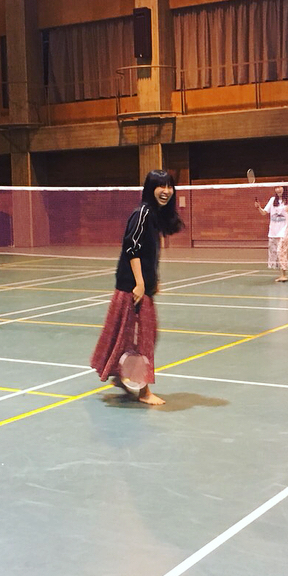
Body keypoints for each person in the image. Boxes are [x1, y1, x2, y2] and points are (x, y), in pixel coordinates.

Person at [90, 169, 184, 406]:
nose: (166, 191)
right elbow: (131, 248)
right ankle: (143, 392)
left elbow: (149, 253)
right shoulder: (142, 213)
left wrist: (153, 280)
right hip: (132, 288)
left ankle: (121, 377)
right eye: (161, 186)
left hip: (140, 287)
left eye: (169, 186)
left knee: (134, 337)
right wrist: (140, 284)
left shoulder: (154, 215)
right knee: (143, 339)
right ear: (151, 188)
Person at [255, 185, 288, 282]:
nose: (278, 189)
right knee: (276, 254)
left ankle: (284, 275)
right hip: (273, 232)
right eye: (276, 187)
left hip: (284, 232)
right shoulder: (272, 200)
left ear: (284, 188)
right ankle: (281, 274)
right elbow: (264, 212)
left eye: (280, 187)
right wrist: (258, 207)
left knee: (281, 252)